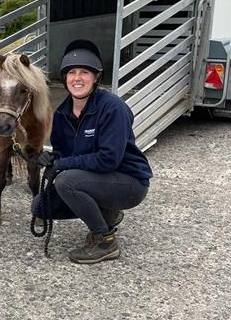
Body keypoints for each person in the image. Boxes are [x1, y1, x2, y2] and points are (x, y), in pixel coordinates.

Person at [32, 40, 153, 264]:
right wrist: (51, 158)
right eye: (71, 73)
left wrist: (63, 165)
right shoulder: (61, 115)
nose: (77, 78)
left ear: (96, 77)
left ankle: (105, 242)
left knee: (67, 181)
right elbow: (66, 155)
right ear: (65, 78)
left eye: (84, 72)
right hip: (96, 179)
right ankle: (108, 214)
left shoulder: (113, 108)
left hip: (129, 181)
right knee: (40, 205)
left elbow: (108, 160)